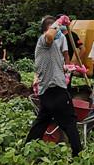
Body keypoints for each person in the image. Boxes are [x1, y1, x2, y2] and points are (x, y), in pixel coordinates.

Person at [26, 15, 82, 157]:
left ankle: (27, 148)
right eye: (56, 29)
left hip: (47, 90)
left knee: (42, 122)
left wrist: (70, 69)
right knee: (70, 122)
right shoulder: (44, 42)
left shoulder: (52, 48)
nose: (59, 32)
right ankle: (78, 154)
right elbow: (50, 36)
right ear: (48, 29)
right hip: (55, 89)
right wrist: (59, 22)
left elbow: (58, 66)